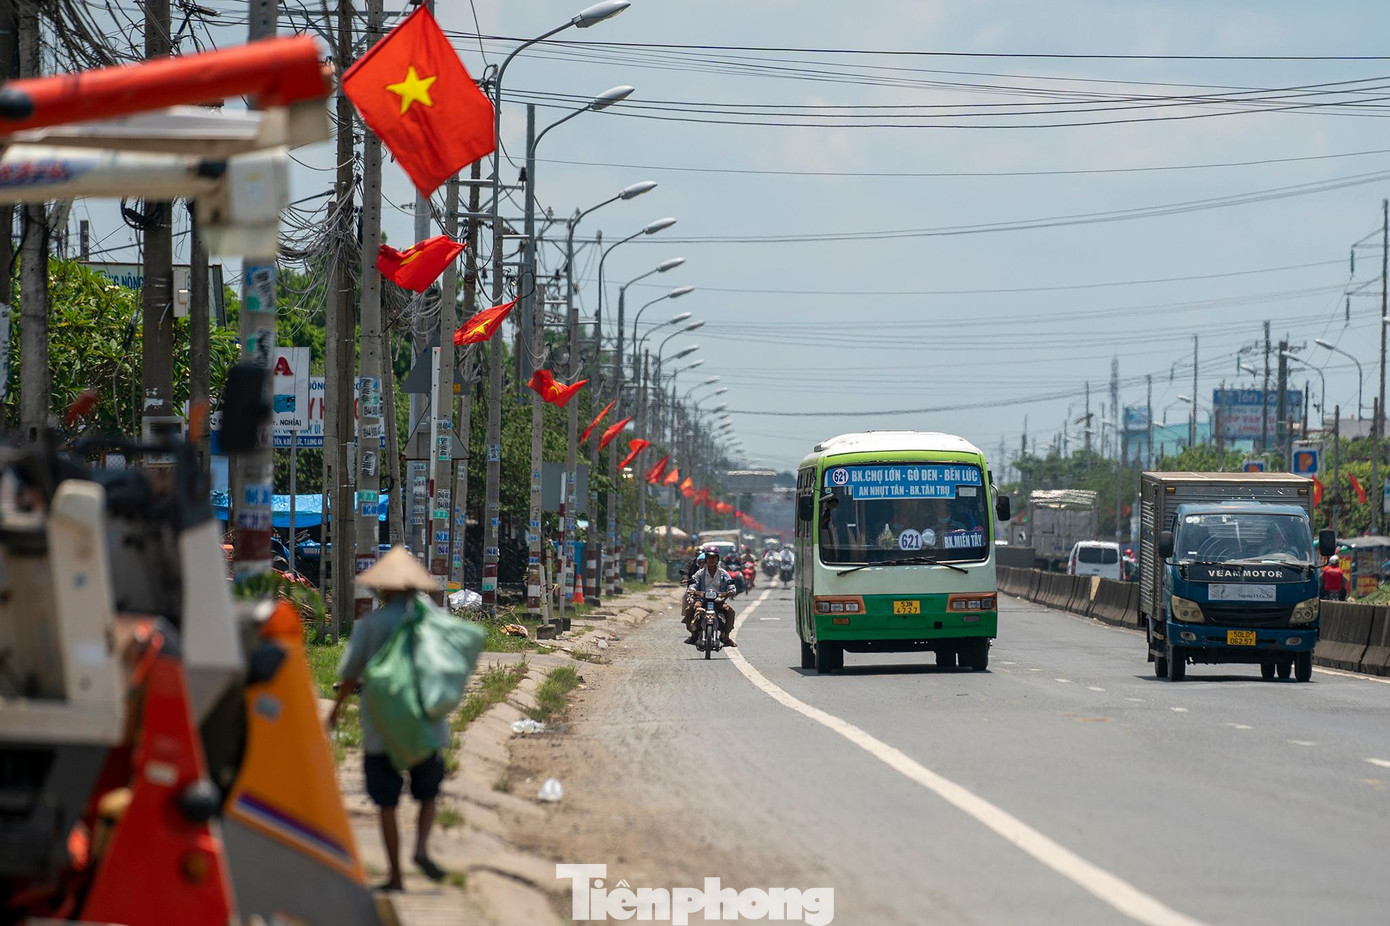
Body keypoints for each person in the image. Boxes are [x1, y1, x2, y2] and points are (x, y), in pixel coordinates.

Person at [328, 547, 448, 892]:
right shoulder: (433, 623)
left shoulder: (372, 625)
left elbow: (350, 675)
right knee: (427, 792)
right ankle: (422, 847)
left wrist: (335, 711)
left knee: (386, 801)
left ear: (384, 588)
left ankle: (395, 875)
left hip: (381, 723)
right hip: (425, 720)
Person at [685, 551, 738, 647]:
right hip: (702, 600)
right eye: (709, 558)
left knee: (730, 611)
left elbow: (730, 584)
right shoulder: (700, 573)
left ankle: (726, 636)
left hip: (718, 601)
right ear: (706, 559)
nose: (711, 560)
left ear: (717, 559)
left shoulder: (723, 573)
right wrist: (692, 590)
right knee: (690, 609)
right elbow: (694, 582)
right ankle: (693, 635)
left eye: (714, 558)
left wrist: (730, 591)